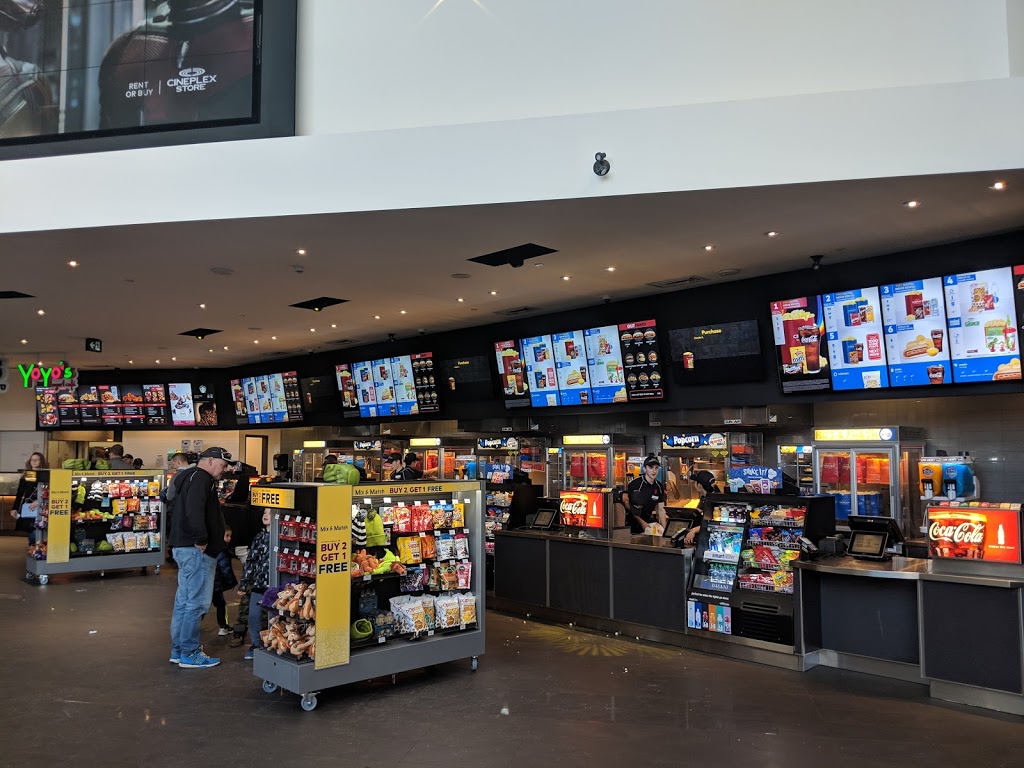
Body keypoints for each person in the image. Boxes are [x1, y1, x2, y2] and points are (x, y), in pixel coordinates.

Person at [168, 446, 234, 669]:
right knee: (196, 603)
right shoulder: (202, 478)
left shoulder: (187, 476)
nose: (224, 470)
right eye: (223, 465)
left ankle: (178, 650)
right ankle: (190, 652)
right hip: (196, 551)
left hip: (184, 547)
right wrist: (202, 539)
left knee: (184, 602)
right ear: (211, 461)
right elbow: (194, 511)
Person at [238, 508, 271, 660]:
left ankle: (274, 644)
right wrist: (244, 583)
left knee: (276, 617)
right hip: (259, 583)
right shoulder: (259, 537)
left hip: (277, 585)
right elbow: (250, 562)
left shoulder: (282, 537)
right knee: (253, 616)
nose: (265, 515)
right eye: (264, 513)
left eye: (269, 513)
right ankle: (256, 644)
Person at [624, 455, 667, 534]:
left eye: (656, 468)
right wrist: (642, 523)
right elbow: (629, 507)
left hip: (648, 526)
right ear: (644, 468)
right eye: (651, 468)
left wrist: (665, 531)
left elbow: (661, 510)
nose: (654, 471)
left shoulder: (659, 487)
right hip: (631, 526)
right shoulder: (635, 485)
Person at [10, 451, 47, 544]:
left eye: (36, 460)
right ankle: (34, 550)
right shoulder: (27, 475)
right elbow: (20, 493)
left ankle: (39, 549)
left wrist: (39, 500)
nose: (34, 461)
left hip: (43, 507)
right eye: (32, 459)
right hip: (29, 507)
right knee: (32, 532)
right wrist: (14, 508)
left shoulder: (47, 475)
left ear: (41, 461)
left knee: (40, 529)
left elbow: (50, 491)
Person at [211, 526, 238, 636]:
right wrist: (232, 582)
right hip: (217, 584)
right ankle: (223, 626)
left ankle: (192, 625)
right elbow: (226, 568)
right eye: (227, 536)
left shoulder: (211, 549)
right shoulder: (223, 551)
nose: (229, 539)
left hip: (209, 582)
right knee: (221, 605)